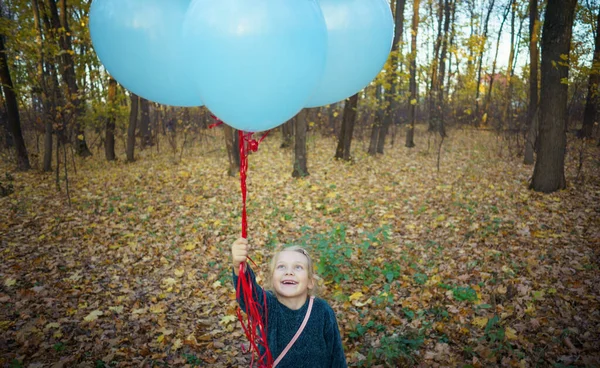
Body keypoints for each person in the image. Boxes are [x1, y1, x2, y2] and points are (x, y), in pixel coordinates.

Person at [231, 237, 348, 368]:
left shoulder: (322, 310)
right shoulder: (267, 306)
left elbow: (336, 355)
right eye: (281, 267)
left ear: (310, 281)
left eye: (298, 267)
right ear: (272, 279)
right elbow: (249, 296)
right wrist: (239, 267)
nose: (289, 272)